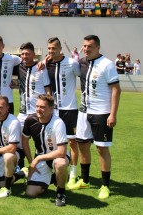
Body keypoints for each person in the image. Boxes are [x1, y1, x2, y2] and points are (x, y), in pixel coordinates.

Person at [71, 35, 121, 200]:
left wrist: (112, 114)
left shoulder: (107, 64)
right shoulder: (83, 62)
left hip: (101, 113)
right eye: (84, 46)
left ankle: (105, 185)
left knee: (101, 148)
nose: (86, 49)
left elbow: (116, 89)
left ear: (98, 47)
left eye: (90, 46)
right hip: (84, 112)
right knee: (82, 145)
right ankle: (85, 180)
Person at [46, 37, 81, 188]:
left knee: (72, 142)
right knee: (53, 141)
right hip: (54, 110)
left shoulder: (72, 63)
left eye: (53, 48)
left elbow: (82, 76)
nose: (51, 51)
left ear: (60, 49)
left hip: (70, 110)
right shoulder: (47, 64)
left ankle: (73, 174)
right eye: (49, 48)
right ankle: (55, 170)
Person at [22, 94, 69, 206]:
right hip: (41, 159)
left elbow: (61, 152)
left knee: (60, 164)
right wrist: (30, 163)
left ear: (51, 109)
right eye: (37, 106)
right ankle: (52, 179)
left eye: (42, 107)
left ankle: (60, 193)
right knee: (30, 193)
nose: (38, 109)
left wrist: (38, 158)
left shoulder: (58, 123)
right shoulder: (30, 120)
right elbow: (24, 141)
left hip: (57, 157)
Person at [0, 96, 26, 198]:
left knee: (8, 157)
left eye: (0, 107)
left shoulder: (13, 122)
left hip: (15, 152)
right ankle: (22, 173)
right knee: (0, 183)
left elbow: (12, 148)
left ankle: (7, 189)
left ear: (7, 108)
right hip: (2, 150)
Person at [16, 42, 51, 124]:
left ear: (34, 54)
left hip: (38, 111)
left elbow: (47, 89)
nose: (24, 56)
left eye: (27, 54)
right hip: (23, 112)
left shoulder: (41, 68)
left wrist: (49, 107)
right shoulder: (19, 67)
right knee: (18, 135)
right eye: (23, 54)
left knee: (39, 136)